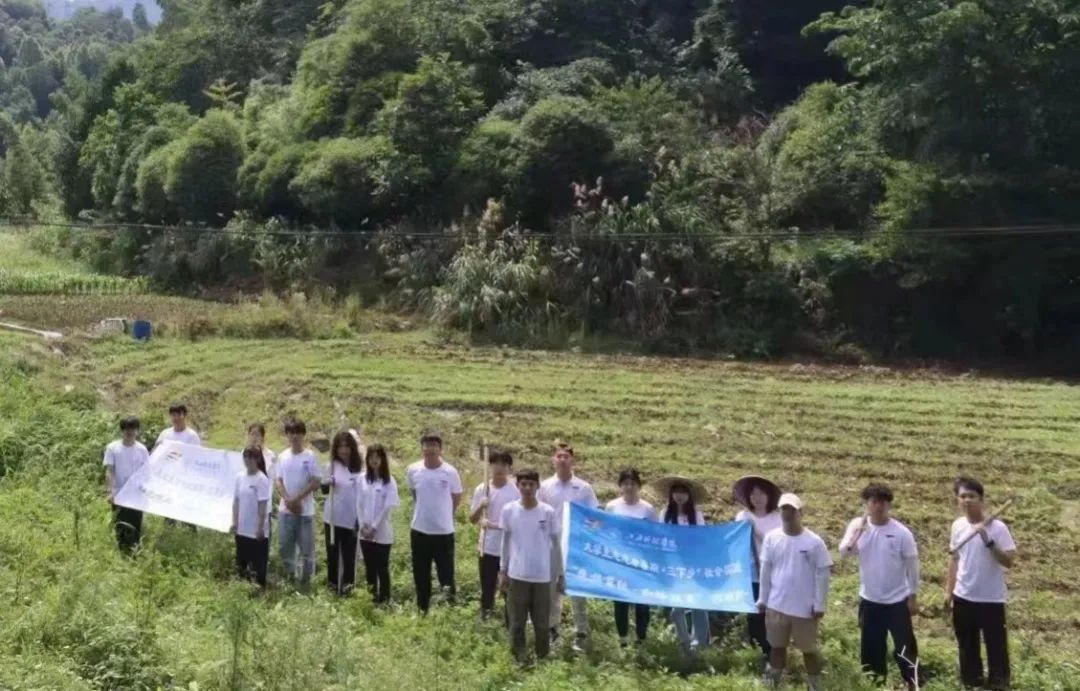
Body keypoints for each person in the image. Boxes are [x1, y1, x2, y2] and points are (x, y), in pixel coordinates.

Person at [839, 483, 921, 689]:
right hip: (870, 599)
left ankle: (912, 682)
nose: (878, 506)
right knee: (872, 646)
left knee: (905, 646)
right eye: (874, 501)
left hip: (897, 601)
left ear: (889, 505)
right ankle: (874, 683)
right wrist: (857, 535)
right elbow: (844, 551)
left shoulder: (901, 533)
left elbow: (912, 565)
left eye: (883, 502)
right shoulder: (858, 525)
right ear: (867, 503)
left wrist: (913, 596)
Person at [946, 477, 1017, 691]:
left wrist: (988, 540)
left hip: (991, 598)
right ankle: (972, 682)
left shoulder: (998, 528)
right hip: (963, 596)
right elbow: (954, 559)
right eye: (963, 496)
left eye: (972, 496)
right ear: (958, 500)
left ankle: (998, 684)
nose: (967, 500)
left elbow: (1009, 561)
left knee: (996, 646)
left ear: (981, 499)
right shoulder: (958, 526)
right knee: (967, 646)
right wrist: (948, 592)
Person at [757, 493, 832, 691]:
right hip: (776, 605)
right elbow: (765, 570)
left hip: (804, 608)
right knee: (777, 646)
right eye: (783, 509)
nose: (787, 513)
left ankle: (814, 683)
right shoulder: (772, 538)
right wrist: (762, 598)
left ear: (800, 512)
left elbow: (822, 575)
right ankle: (773, 680)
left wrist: (820, 604)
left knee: (808, 649)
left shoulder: (814, 542)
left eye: (791, 509)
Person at [538, 441, 598, 650]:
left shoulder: (583, 488)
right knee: (552, 588)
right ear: (553, 460)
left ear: (573, 460)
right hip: (551, 546)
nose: (562, 460)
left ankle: (580, 632)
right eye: (559, 456)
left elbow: (594, 517)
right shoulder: (544, 486)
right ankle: (552, 629)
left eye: (566, 456)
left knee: (577, 590)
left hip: (575, 546)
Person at [499, 469, 562, 663]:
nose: (527, 488)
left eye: (531, 484)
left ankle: (542, 657)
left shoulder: (547, 512)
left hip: (542, 576)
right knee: (517, 622)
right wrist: (503, 570)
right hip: (517, 575)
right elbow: (505, 541)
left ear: (538, 486)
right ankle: (519, 657)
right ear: (517, 486)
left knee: (541, 622)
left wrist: (560, 574)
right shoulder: (509, 510)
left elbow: (556, 544)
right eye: (523, 484)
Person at [406, 431, 463, 613]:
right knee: (421, 573)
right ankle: (423, 610)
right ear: (422, 448)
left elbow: (456, 496)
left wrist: (446, 514)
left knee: (446, 574)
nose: (430, 449)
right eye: (426, 445)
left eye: (434, 445)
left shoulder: (450, 472)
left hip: (443, 532)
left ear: (440, 449)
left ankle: (449, 610)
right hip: (420, 529)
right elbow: (414, 493)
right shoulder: (413, 469)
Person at [653, 475, 710, 654]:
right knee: (676, 610)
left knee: (698, 605)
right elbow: (661, 538)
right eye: (676, 491)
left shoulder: (697, 515)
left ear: (689, 495)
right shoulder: (664, 514)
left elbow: (701, 540)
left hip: (694, 567)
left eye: (683, 492)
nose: (679, 495)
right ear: (671, 494)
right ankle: (684, 642)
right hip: (673, 567)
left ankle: (699, 644)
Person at [606, 467, 659, 647]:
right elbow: (606, 533)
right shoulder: (612, 506)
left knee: (641, 603)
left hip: (641, 564)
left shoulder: (648, 509)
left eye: (633, 484)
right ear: (620, 486)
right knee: (620, 602)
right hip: (619, 563)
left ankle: (641, 639)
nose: (629, 487)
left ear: (639, 486)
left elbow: (656, 535)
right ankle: (622, 639)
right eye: (626, 483)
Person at [733, 475, 783, 658]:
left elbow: (780, 544)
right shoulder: (743, 516)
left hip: (773, 571)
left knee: (772, 612)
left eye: (761, 493)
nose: (757, 498)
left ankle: (773, 649)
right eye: (753, 494)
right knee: (754, 611)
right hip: (751, 572)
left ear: (769, 496)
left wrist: (758, 532)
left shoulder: (777, 518)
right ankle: (757, 648)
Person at [469, 449, 520, 620]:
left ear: (509, 468)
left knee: (508, 588)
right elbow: (472, 519)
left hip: (509, 549)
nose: (499, 468)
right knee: (487, 586)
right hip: (487, 547)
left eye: (504, 465)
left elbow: (517, 522)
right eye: (496, 464)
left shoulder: (515, 492)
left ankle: (510, 621)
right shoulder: (482, 489)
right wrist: (481, 506)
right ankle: (486, 617)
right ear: (490, 466)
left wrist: (494, 525)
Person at [275, 418, 321, 590]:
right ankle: (289, 580)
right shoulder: (282, 456)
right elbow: (278, 481)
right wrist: (288, 499)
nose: (294, 436)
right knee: (285, 547)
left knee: (307, 550)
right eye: (291, 433)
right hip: (286, 511)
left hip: (305, 512)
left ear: (303, 435)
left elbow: (315, 482)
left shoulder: (310, 456)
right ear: (287, 435)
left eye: (298, 433)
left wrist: (297, 499)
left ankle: (307, 585)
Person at [322, 431, 363, 595]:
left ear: (352, 447)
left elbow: (363, 494)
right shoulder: (331, 466)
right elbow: (324, 490)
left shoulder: (360, 468)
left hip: (352, 518)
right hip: (332, 519)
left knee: (349, 557)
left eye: (347, 447)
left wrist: (361, 518)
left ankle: (348, 591)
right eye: (340, 447)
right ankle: (332, 588)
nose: (344, 451)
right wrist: (328, 482)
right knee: (332, 555)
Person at [358, 444, 399, 603]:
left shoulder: (389, 481)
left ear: (383, 459)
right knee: (370, 568)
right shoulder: (362, 479)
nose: (374, 461)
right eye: (371, 457)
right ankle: (372, 600)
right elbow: (358, 504)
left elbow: (387, 507)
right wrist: (363, 525)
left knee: (382, 567)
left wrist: (374, 527)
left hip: (382, 532)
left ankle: (385, 600)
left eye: (377, 457)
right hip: (364, 532)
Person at [103, 416, 149, 554]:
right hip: (119, 493)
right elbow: (109, 471)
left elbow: (147, 472)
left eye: (133, 428)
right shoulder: (112, 448)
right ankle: (121, 552)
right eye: (126, 428)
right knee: (120, 524)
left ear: (137, 430)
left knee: (135, 524)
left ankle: (134, 552)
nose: (129, 431)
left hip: (136, 495)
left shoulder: (142, 449)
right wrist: (110, 491)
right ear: (122, 430)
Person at [232, 447, 271, 587]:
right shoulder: (239, 477)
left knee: (257, 565)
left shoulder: (262, 479)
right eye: (246, 457)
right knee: (241, 563)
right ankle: (242, 588)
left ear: (258, 459)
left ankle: (259, 591)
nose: (248, 460)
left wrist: (260, 527)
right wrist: (235, 522)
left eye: (251, 457)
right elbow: (236, 501)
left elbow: (262, 505)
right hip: (242, 529)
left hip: (256, 532)